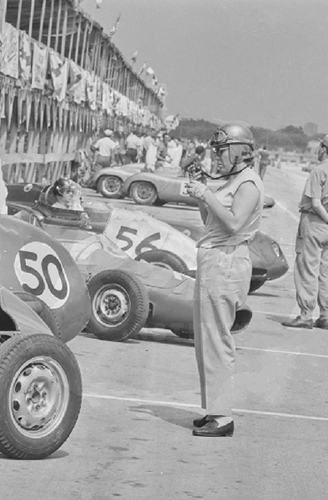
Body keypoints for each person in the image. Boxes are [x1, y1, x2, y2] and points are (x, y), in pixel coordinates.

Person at [185, 122, 264, 437]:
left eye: (221, 150)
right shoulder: (233, 181)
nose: (216, 156)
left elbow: (232, 224)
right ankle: (214, 409)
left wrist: (207, 192)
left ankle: (223, 416)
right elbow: (211, 221)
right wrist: (202, 197)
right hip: (215, 258)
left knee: (217, 339)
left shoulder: (248, 183)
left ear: (238, 151)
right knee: (206, 340)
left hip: (227, 261)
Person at [282, 135, 328, 329]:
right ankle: (325, 315)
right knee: (325, 272)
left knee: (307, 268)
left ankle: (306, 314)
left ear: (324, 148)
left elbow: (316, 203)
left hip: (315, 222)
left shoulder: (319, 171)